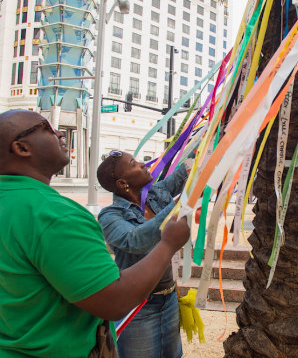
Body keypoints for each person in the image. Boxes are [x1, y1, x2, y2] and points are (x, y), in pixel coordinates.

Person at [0, 109, 190, 358]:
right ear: (22, 148)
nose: (59, 132)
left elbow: (186, 174)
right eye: (46, 128)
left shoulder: (13, 203)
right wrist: (168, 244)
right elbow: (114, 300)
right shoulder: (55, 215)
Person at [97, 151, 192, 358]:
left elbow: (185, 169)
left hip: (169, 299)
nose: (143, 164)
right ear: (123, 183)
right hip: (138, 307)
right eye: (134, 163)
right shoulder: (110, 216)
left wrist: (215, 130)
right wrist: (178, 205)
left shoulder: (157, 193)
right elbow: (136, 240)